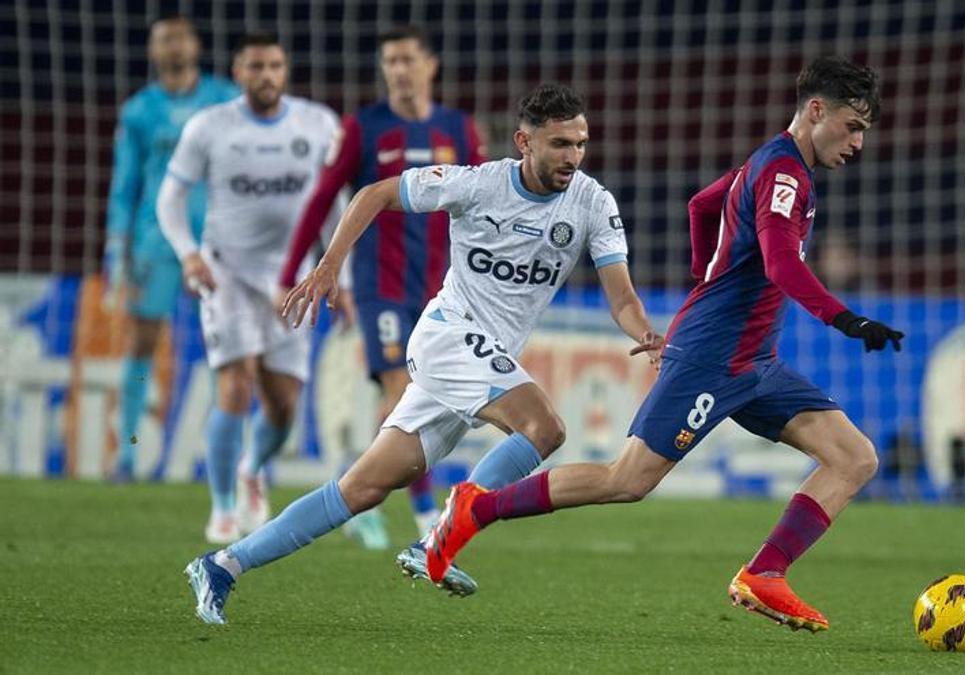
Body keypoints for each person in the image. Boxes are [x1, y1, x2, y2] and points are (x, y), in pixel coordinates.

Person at [423, 56, 904, 634]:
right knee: (627, 480)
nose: (857, 142)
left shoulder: (772, 161)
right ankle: (477, 507)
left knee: (855, 457)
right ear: (817, 110)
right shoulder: (784, 176)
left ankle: (764, 575)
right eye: (852, 126)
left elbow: (702, 205)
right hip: (712, 356)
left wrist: (705, 280)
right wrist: (845, 320)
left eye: (863, 132)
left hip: (753, 362)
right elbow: (778, 263)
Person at [184, 83, 662, 624]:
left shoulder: (592, 202)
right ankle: (441, 535)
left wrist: (645, 332)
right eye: (560, 145)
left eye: (580, 143)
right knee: (543, 427)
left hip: (482, 357)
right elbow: (373, 194)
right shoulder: (478, 184)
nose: (572, 157)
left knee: (361, 489)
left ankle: (223, 563)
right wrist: (328, 266)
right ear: (523, 141)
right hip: (447, 336)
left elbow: (621, 296)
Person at [278, 25, 487, 551]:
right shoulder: (363, 129)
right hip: (381, 289)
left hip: (444, 293)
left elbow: (490, 203)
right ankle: (426, 523)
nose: (398, 70)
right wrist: (297, 270)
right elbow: (324, 196)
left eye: (407, 59)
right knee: (404, 391)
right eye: (389, 60)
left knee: (415, 407)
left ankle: (356, 494)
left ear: (430, 65)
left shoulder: (458, 130)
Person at [157, 33, 349, 544]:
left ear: (286, 72)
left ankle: (252, 469)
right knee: (235, 384)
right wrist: (188, 253)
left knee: (283, 405)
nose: (265, 75)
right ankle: (222, 508)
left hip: (293, 280)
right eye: (255, 66)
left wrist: (339, 277)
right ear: (238, 72)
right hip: (227, 274)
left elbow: (335, 206)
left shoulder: (318, 124)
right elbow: (170, 197)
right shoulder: (210, 127)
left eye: (274, 66)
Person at [104, 15, 239, 481]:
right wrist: (114, 247)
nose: (174, 47)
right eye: (164, 40)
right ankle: (128, 452)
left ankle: (227, 460)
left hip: (219, 240)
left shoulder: (225, 99)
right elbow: (124, 187)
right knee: (142, 342)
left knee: (229, 346)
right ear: (153, 51)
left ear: (196, 45)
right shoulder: (139, 111)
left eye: (181, 37)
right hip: (156, 241)